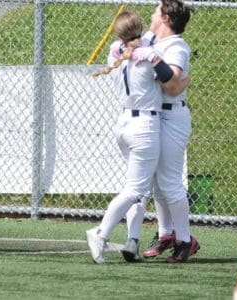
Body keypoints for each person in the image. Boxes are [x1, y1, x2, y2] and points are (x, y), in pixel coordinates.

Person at [86, 11, 181, 264]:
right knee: (136, 188)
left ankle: (133, 241)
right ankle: (100, 233)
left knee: (139, 186)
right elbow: (170, 79)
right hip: (145, 125)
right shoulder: (147, 56)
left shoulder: (116, 51)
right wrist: (153, 55)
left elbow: (127, 45)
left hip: (124, 122)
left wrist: (139, 45)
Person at [123, 0, 200, 264]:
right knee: (156, 182)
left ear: (166, 18)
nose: (151, 13)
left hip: (170, 115)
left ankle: (186, 241)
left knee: (169, 181)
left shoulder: (176, 46)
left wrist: (153, 65)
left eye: (156, 10)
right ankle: (166, 234)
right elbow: (127, 49)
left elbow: (173, 86)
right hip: (152, 115)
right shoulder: (150, 38)